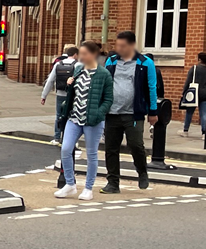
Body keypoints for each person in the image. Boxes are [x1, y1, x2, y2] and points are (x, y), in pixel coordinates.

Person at [100, 30, 160, 192]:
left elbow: (151, 87)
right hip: (112, 113)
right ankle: (113, 182)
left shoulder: (145, 63)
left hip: (134, 113)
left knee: (136, 145)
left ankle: (142, 172)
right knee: (111, 148)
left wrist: (153, 111)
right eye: (117, 45)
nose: (119, 48)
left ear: (132, 45)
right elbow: (104, 84)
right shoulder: (111, 61)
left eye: (123, 45)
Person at [55, 41, 114, 201]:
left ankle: (88, 188)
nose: (81, 57)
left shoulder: (104, 74)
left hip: (92, 120)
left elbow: (108, 99)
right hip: (74, 118)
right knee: (66, 150)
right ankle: (70, 184)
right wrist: (69, 85)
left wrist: (98, 113)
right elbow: (74, 93)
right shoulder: (79, 70)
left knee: (91, 154)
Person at [40, 45, 81, 145]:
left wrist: (44, 95)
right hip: (72, 94)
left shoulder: (58, 64)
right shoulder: (78, 65)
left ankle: (57, 138)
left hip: (60, 93)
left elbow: (50, 81)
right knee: (72, 116)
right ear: (75, 54)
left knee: (59, 115)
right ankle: (70, 139)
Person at [180, 52, 206, 136]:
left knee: (189, 112)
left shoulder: (194, 68)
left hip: (193, 93)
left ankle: (185, 131)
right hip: (205, 94)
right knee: (203, 114)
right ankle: (204, 133)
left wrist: (184, 92)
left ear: (200, 59)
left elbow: (188, 81)